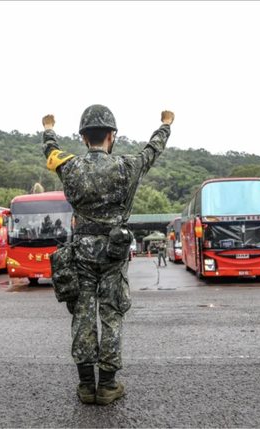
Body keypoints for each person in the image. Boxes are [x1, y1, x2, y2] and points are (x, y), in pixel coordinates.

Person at [42, 105, 174, 405]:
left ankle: (86, 385)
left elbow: (50, 150)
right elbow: (152, 150)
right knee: (112, 314)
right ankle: (107, 386)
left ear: (84, 138)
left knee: (83, 315)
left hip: (81, 253)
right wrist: (165, 124)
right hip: (113, 254)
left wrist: (48, 129)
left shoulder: (70, 166)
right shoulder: (127, 166)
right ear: (111, 136)